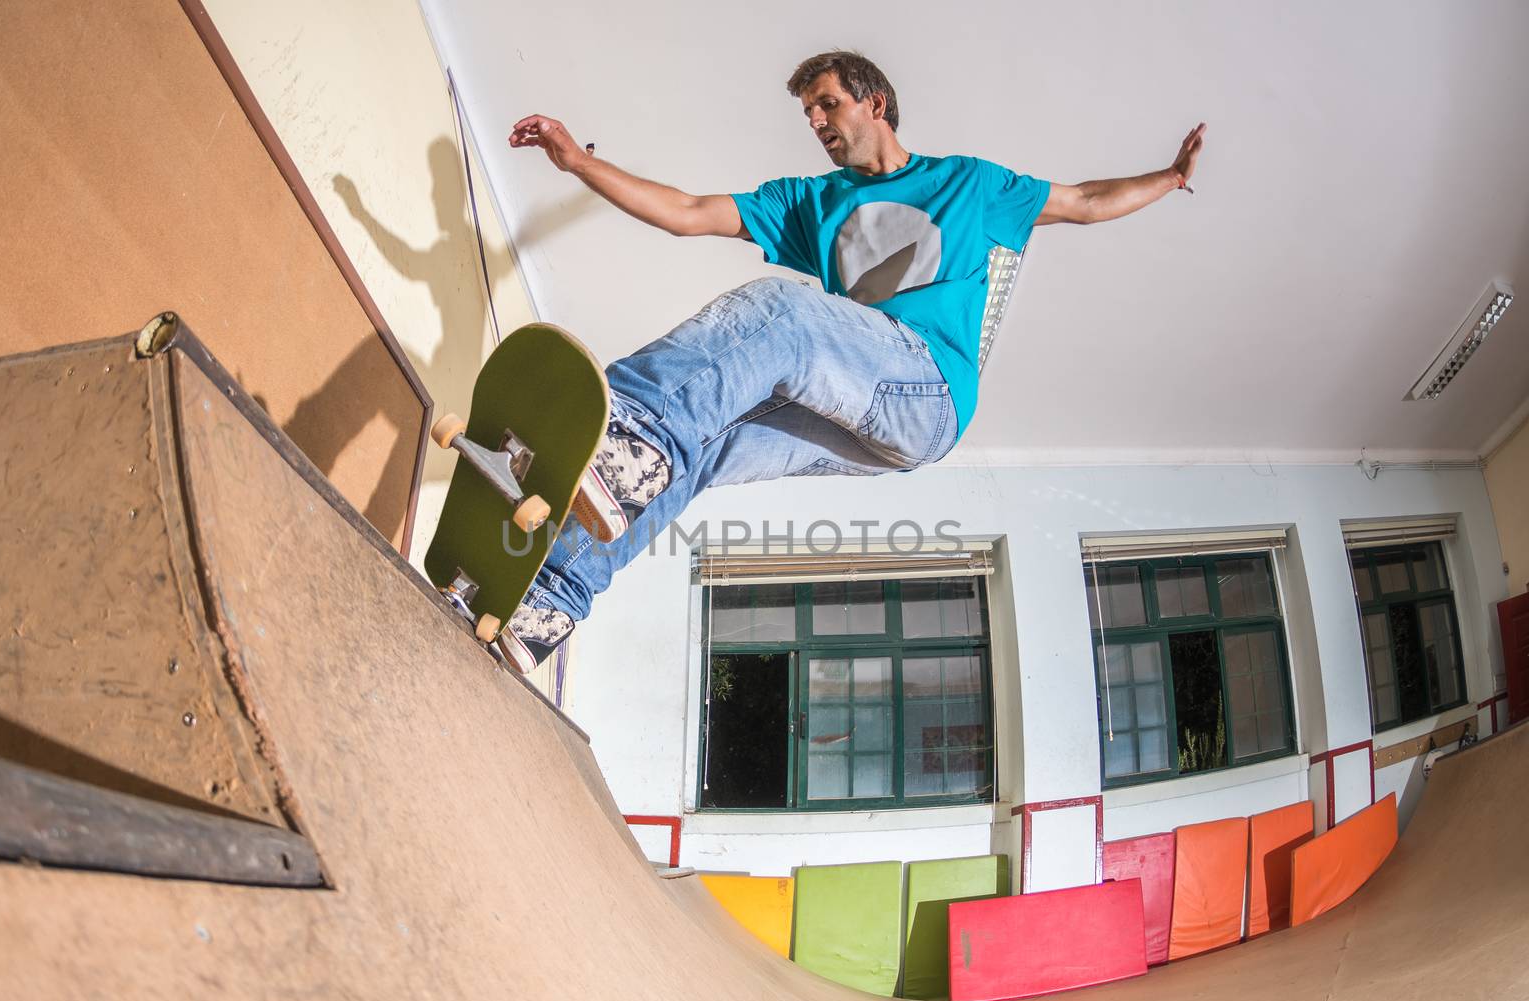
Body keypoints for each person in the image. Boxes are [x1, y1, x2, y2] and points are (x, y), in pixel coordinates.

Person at [496, 50, 1205, 673]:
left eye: (828, 104)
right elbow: (688, 210)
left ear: (877, 103)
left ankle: (624, 430)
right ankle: (551, 601)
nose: (817, 123)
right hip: (861, 414)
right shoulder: (811, 201)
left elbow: (1082, 201)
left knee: (782, 312)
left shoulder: (970, 184)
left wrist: (1171, 177)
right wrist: (580, 162)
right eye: (809, 114)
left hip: (928, 390)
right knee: (713, 444)